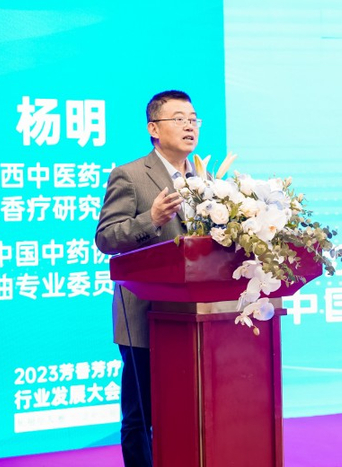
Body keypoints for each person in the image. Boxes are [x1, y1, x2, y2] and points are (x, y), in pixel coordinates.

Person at [95, 90, 201, 467]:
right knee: (142, 416)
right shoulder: (130, 175)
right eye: (179, 119)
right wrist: (150, 220)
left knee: (188, 410)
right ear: (154, 129)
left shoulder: (204, 178)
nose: (189, 126)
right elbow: (106, 238)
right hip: (145, 316)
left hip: (195, 317)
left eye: (193, 119)